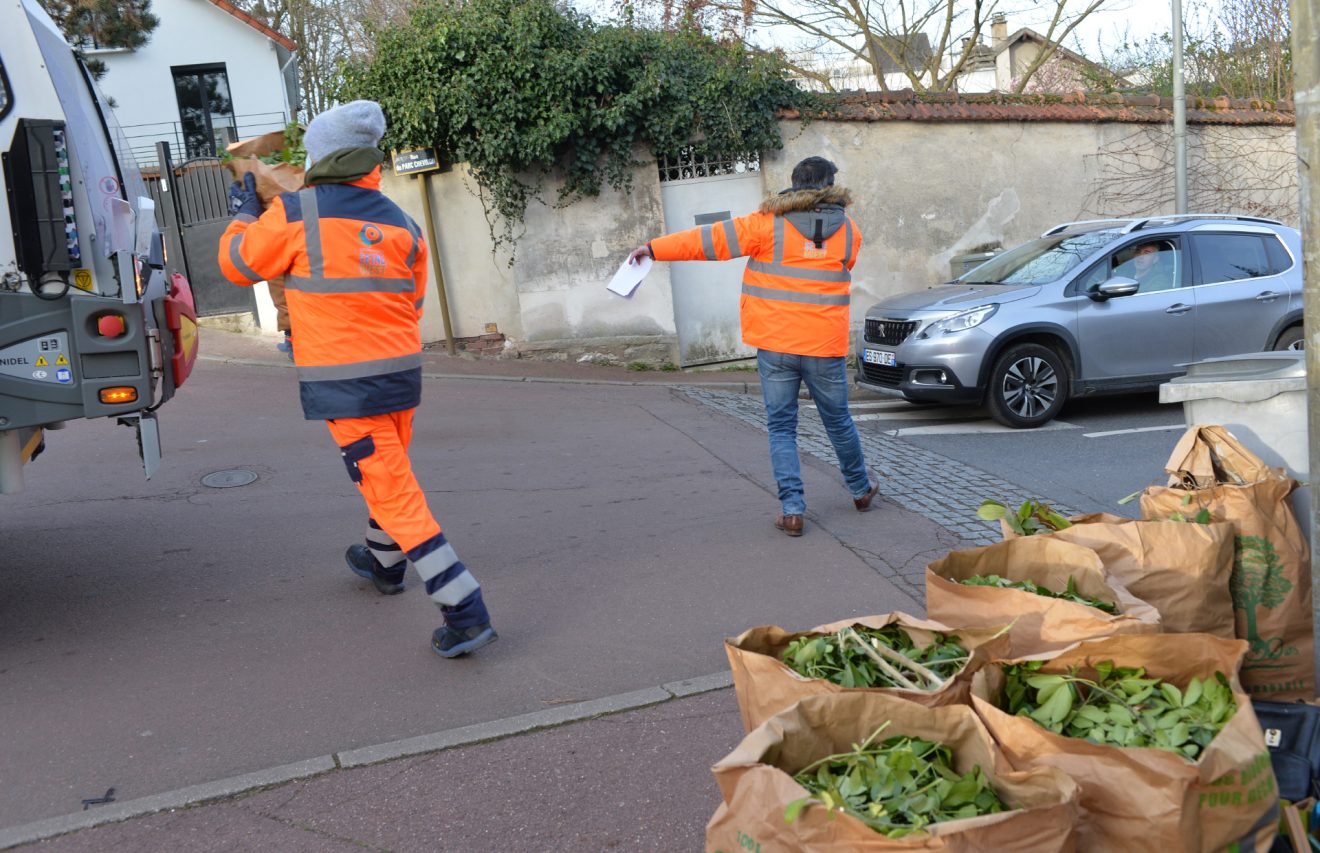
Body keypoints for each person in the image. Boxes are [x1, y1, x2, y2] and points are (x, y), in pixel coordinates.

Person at [217, 100, 497, 658]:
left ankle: (464, 608)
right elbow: (411, 303)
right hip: (400, 375)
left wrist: (244, 212)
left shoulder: (296, 213)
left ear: (321, 156)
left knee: (392, 489)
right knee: (386, 474)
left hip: (346, 383)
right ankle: (383, 563)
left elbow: (237, 265)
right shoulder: (400, 222)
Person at [627, 156, 878, 537]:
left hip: (776, 344)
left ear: (794, 187)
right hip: (823, 345)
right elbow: (843, 265)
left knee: (781, 427)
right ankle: (860, 490)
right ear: (830, 188)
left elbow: (706, 241)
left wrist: (653, 248)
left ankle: (792, 510)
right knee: (838, 421)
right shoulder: (850, 232)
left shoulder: (764, 226)